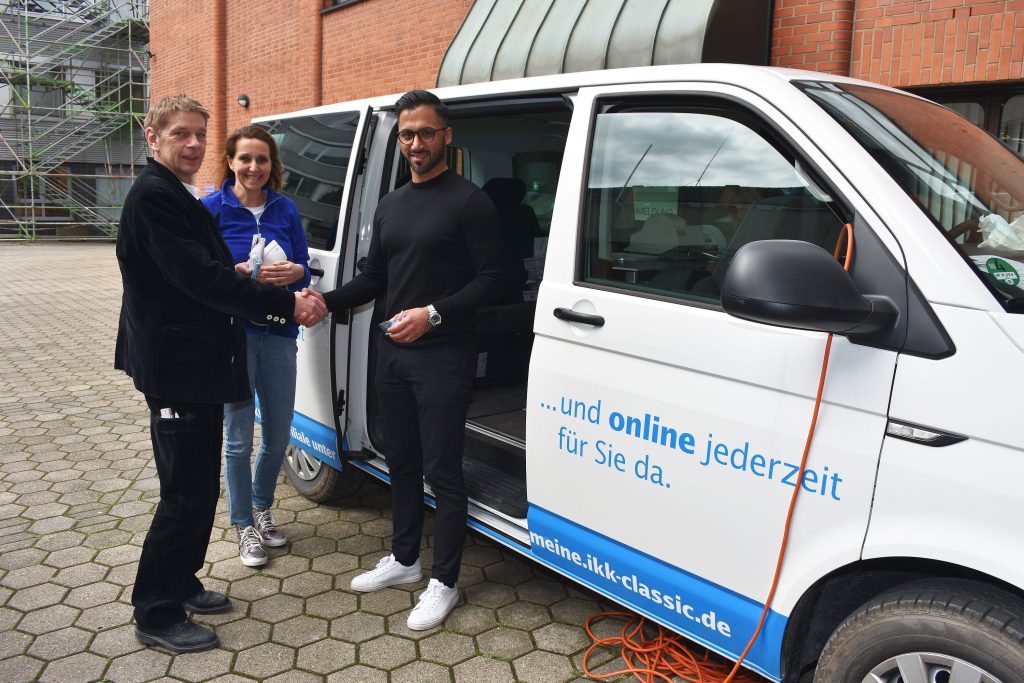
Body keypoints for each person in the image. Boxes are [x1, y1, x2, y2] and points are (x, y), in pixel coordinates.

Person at [115, 96, 326, 654]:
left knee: (198, 485)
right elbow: (199, 283)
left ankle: (180, 583)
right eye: (181, 134)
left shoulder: (178, 196)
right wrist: (283, 305)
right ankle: (156, 611)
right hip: (177, 369)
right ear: (152, 136)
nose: (193, 145)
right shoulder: (154, 198)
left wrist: (231, 269)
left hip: (198, 366)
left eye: (200, 135)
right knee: (185, 493)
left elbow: (199, 271)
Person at [321, 89, 504, 630]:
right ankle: (404, 560)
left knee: (442, 470)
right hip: (392, 356)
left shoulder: (471, 202)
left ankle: (444, 581)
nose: (416, 143)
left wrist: (434, 314)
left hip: (443, 356)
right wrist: (321, 303)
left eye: (426, 132)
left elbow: (495, 280)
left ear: (447, 135)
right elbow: (376, 277)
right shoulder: (392, 203)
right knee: (398, 459)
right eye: (407, 135)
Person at [202, 126, 309, 568]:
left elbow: (304, 267)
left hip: (280, 333)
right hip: (236, 336)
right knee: (238, 438)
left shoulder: (286, 208)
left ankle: (263, 509)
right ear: (230, 161)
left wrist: (294, 273)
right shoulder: (211, 208)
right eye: (245, 159)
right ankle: (243, 524)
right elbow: (202, 271)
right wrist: (237, 270)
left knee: (280, 432)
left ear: (272, 166)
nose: (253, 168)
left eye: (262, 160)